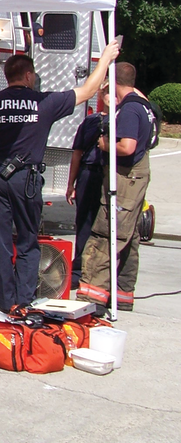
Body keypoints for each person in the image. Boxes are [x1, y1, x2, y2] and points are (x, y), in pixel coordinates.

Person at [0, 41, 119, 312]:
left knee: (0, 242)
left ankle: (5, 302)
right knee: (28, 240)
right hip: (25, 178)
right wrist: (106, 59)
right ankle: (24, 303)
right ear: (29, 76)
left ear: (7, 77)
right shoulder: (43, 101)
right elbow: (88, 90)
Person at [77, 63, 153, 313]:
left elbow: (128, 146)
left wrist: (105, 144)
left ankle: (93, 297)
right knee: (129, 237)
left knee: (106, 233)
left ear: (112, 81)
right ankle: (122, 294)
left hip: (125, 180)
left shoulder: (130, 110)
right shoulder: (143, 105)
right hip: (136, 179)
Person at [66, 106, 106, 289]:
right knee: (84, 225)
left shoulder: (123, 118)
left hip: (109, 176)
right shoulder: (90, 122)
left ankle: (102, 274)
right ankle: (78, 271)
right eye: (105, 92)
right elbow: (77, 153)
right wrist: (71, 184)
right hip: (88, 174)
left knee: (107, 228)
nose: (108, 97)